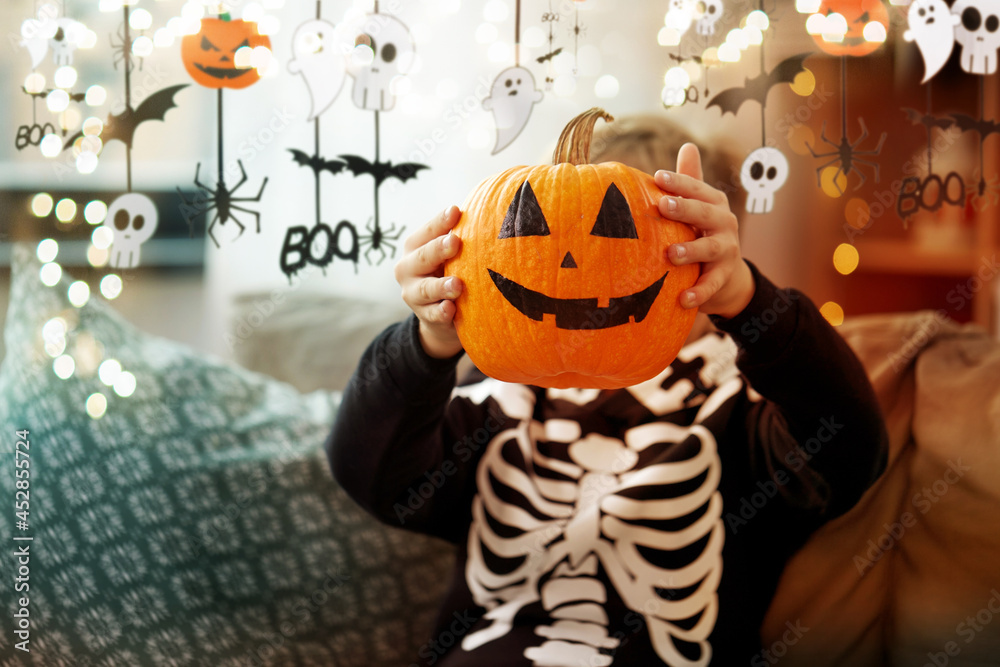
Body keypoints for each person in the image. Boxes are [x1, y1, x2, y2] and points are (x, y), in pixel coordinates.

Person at [326, 113, 888, 666]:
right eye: (544, 233)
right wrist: (426, 341)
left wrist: (750, 302)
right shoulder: (499, 392)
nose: (576, 267)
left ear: (707, 251)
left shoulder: (738, 407)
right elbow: (375, 474)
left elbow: (846, 449)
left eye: (622, 233)